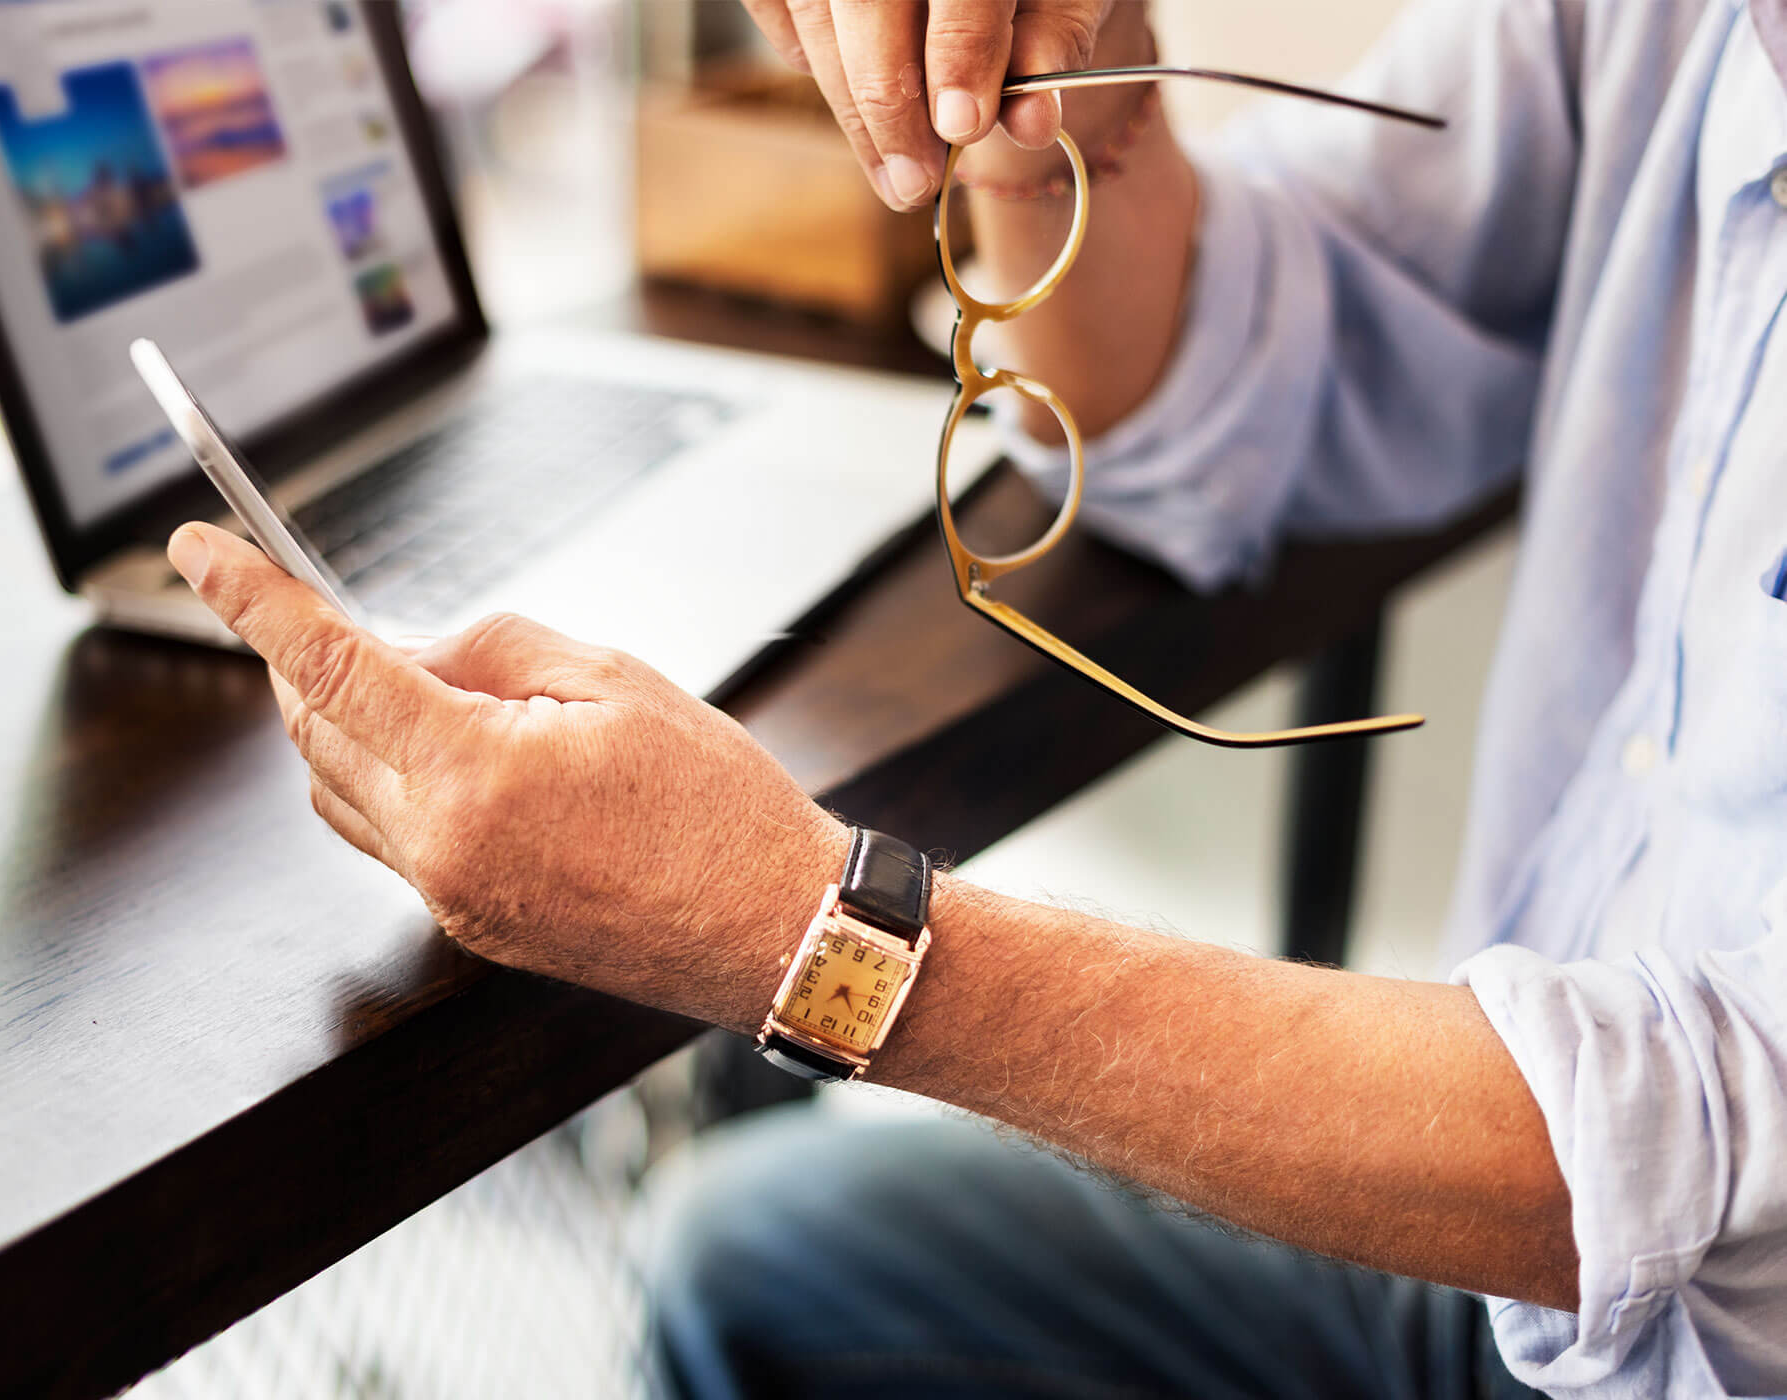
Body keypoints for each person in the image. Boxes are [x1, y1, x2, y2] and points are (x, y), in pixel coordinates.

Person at [160, 0, 1787, 1392]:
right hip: (1535, 1289)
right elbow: (1279, 364)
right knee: (752, 1259)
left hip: (1671, 1300)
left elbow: (1708, 1171)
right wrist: (1050, 140)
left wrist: (797, 929)